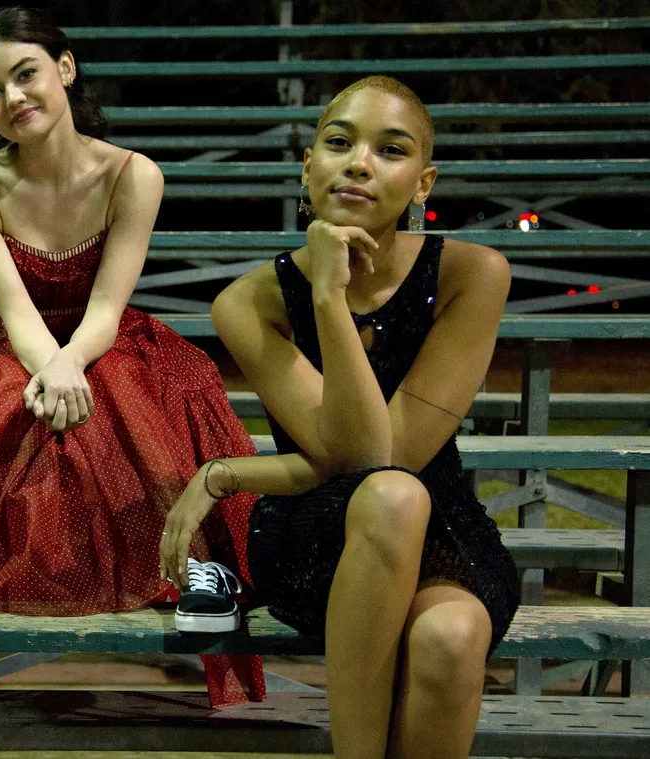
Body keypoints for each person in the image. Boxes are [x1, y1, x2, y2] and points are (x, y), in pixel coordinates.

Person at [0, 8, 265, 749]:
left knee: (135, 404)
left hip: (108, 339)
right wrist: (52, 366)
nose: (11, 99)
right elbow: (16, 311)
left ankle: (195, 568)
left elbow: (107, 307)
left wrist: (71, 363)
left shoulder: (133, 174)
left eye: (25, 75)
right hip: (23, 343)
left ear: (65, 69)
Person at [160, 76, 520, 759]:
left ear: (423, 184)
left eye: (391, 150)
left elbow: (390, 455)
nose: (359, 163)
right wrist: (326, 294)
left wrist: (226, 473)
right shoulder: (247, 301)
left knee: (450, 636)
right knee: (389, 498)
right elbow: (359, 466)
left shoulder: (473, 275)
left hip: (443, 526)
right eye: (339, 142)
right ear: (308, 166)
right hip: (318, 532)